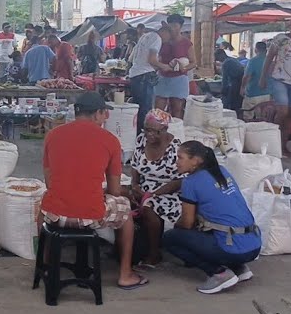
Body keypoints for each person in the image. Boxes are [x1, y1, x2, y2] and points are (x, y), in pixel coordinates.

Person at [39, 91, 145, 290]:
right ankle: (125, 274)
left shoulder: (52, 135)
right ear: (97, 113)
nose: (106, 118)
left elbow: (49, 182)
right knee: (126, 212)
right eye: (105, 113)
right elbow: (114, 191)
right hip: (90, 215)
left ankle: (46, 264)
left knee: (45, 203)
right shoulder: (110, 140)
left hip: (55, 214)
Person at [162, 141, 261, 294]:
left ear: (195, 161)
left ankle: (219, 272)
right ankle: (239, 268)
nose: (176, 162)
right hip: (254, 245)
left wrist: (177, 228)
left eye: (180, 158)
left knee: (170, 238)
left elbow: (187, 223)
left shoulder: (190, 182)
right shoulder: (221, 171)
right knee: (212, 228)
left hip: (232, 248)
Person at [125, 109, 184, 270]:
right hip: (145, 187)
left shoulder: (175, 149)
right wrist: (134, 185)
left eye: (155, 131)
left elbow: (179, 181)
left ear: (165, 130)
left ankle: (154, 254)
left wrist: (152, 194)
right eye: (146, 129)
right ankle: (123, 248)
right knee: (120, 197)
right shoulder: (141, 140)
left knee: (148, 207)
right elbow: (135, 166)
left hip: (169, 192)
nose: (149, 134)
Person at [261, 17, 291, 158]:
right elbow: (269, 58)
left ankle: (283, 145)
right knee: (282, 111)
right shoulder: (280, 39)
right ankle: (273, 143)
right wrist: (263, 77)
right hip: (279, 79)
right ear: (290, 26)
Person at [128, 21, 171, 129]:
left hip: (135, 75)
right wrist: (163, 66)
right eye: (169, 37)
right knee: (145, 110)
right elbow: (151, 60)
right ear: (165, 32)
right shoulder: (157, 39)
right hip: (144, 76)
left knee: (138, 108)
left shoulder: (145, 36)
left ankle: (136, 134)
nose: (167, 40)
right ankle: (142, 135)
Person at [155, 16, 191, 118]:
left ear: (181, 27)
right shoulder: (162, 41)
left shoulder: (186, 43)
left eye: (175, 25)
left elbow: (193, 62)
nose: (173, 28)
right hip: (163, 78)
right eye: (171, 25)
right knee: (158, 110)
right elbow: (157, 57)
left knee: (176, 110)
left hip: (179, 79)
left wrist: (184, 68)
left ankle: (175, 131)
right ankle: (158, 131)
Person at [241, 41, 271, 115]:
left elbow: (247, 77)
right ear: (266, 50)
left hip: (253, 94)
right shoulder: (271, 61)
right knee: (263, 118)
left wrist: (242, 88)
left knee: (248, 117)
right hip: (267, 94)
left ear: (255, 50)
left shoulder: (253, 61)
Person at [217, 48, 245, 113]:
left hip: (234, 85)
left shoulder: (226, 63)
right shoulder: (233, 59)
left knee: (230, 106)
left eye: (217, 57)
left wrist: (223, 91)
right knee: (237, 105)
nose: (218, 60)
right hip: (240, 84)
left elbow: (225, 79)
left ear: (221, 55)